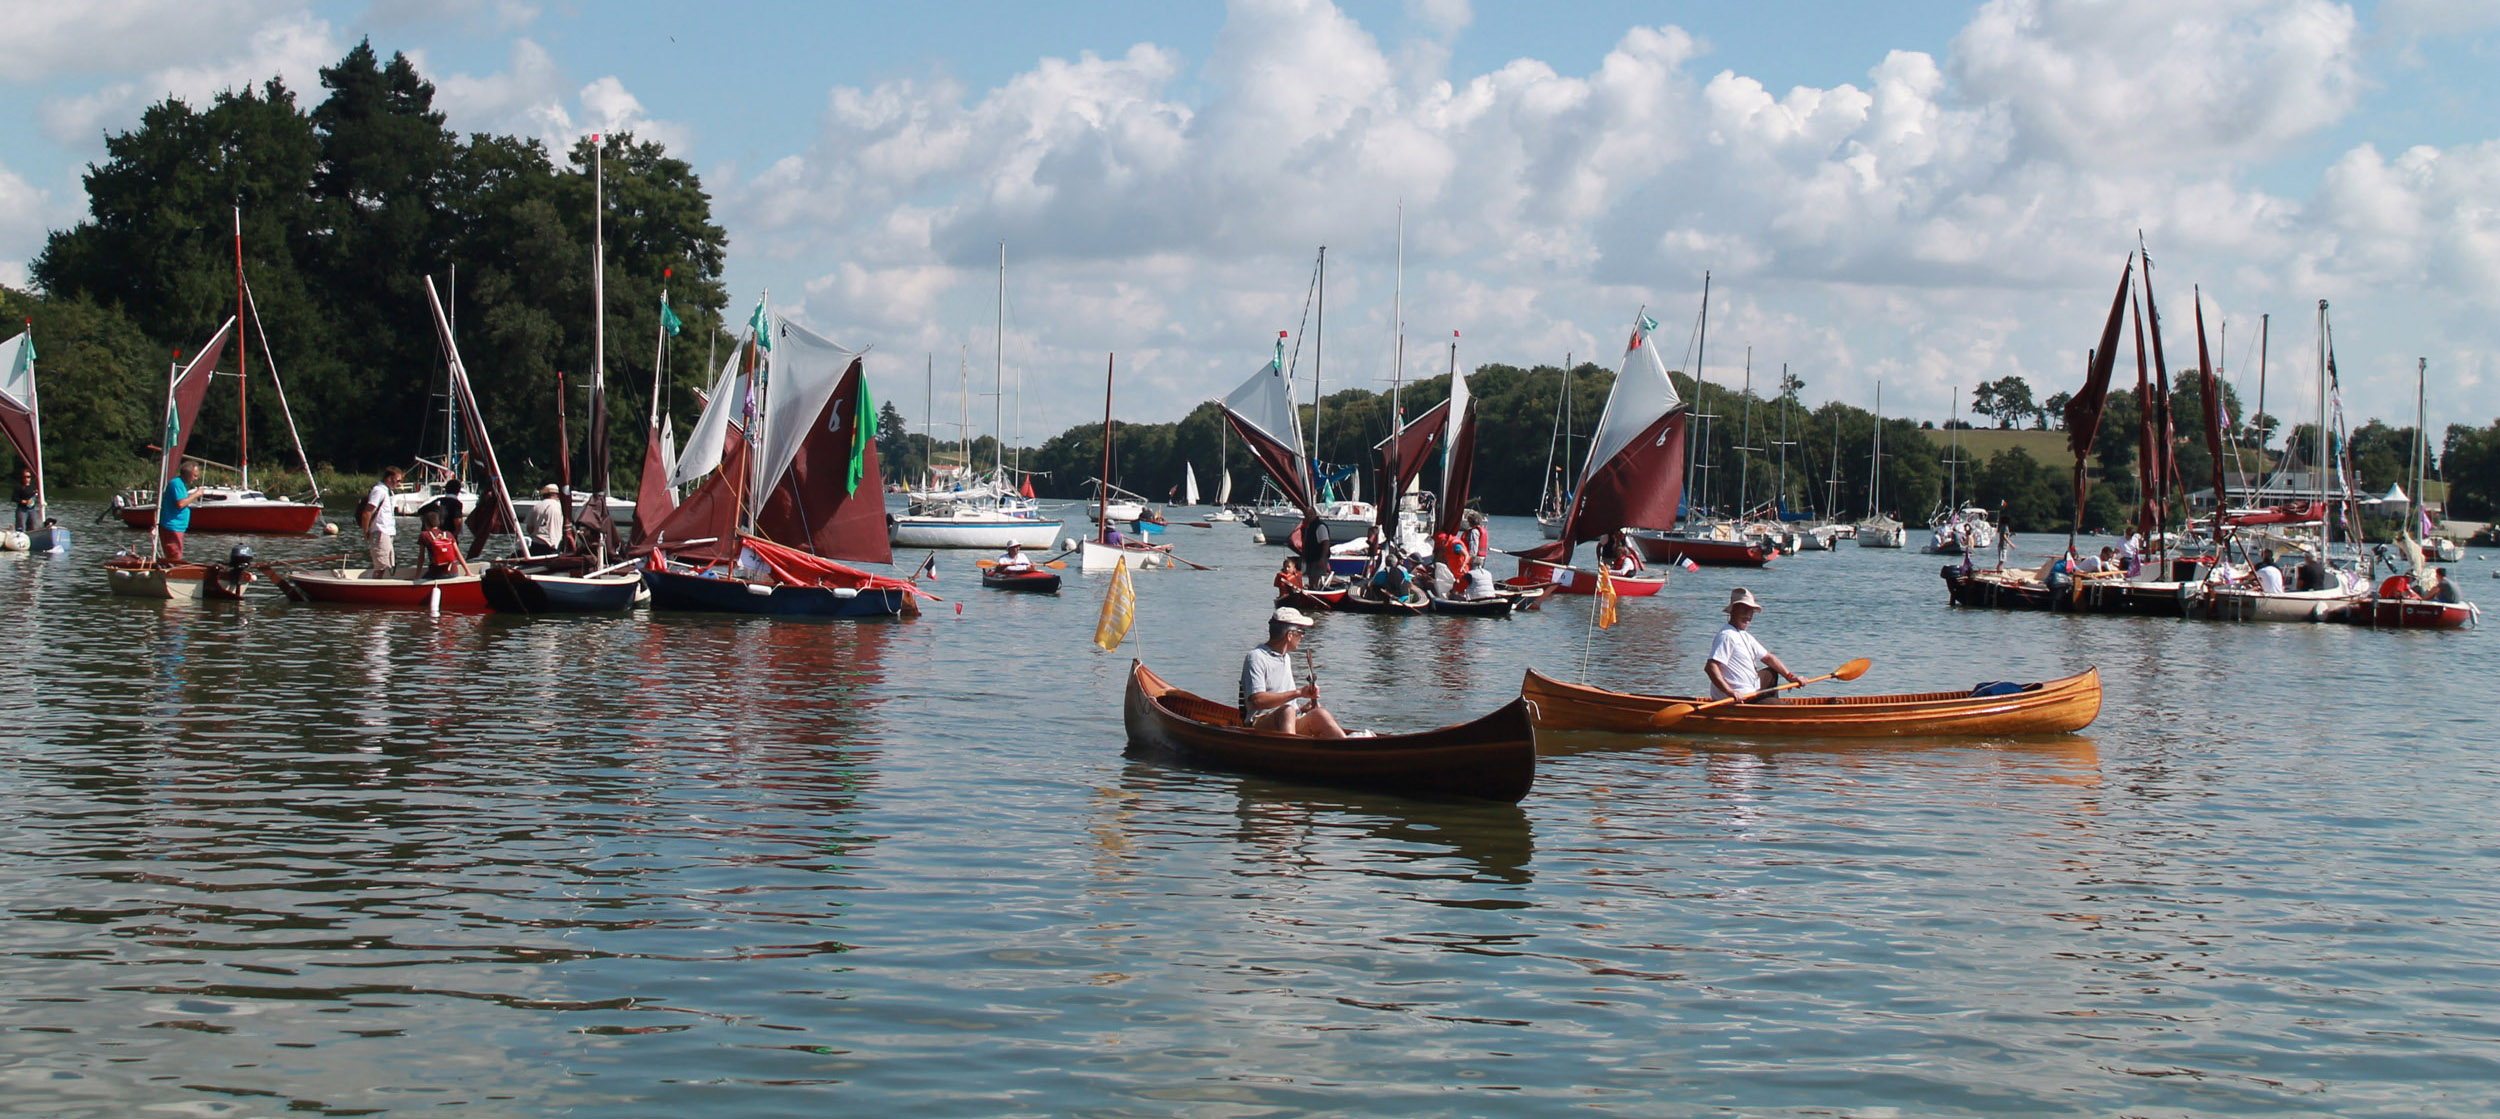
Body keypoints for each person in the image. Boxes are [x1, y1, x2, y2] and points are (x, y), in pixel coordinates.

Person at [1239, 607, 1345, 738]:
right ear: (1289, 635)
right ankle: (1292, 751)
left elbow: (1285, 700)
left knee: (1320, 713)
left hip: (1289, 718)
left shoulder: (1286, 658)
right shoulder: (1256, 657)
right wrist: (1298, 693)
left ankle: (1348, 749)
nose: (1302, 636)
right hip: (1260, 723)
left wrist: (1301, 709)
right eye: (1301, 632)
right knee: (1287, 711)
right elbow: (1258, 701)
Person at [1706, 588, 1801, 703]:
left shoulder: (1745, 636)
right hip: (1737, 699)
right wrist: (1730, 692)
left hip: (1752, 691)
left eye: (1751, 611)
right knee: (1781, 707)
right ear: (1733, 610)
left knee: (1771, 673)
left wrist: (1791, 677)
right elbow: (1711, 667)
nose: (1748, 615)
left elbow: (1768, 658)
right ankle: (1771, 707)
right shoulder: (1726, 636)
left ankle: (1766, 704)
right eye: (1744, 610)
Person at [355, 466, 402, 574]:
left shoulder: (387, 491)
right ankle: (377, 587)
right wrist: (365, 532)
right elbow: (367, 513)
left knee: (389, 566)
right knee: (382, 567)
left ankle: (386, 587)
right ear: (390, 478)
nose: (399, 483)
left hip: (387, 533)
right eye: (398, 480)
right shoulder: (379, 491)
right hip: (380, 532)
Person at [158, 461, 202, 562]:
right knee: (175, 557)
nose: (196, 478)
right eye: (195, 475)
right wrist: (196, 494)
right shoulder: (176, 484)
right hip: (172, 526)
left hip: (177, 527)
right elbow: (181, 504)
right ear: (188, 473)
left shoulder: (181, 484)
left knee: (176, 555)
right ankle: (173, 574)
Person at [416, 508, 465, 579]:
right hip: (454, 572)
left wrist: (417, 576)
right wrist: (468, 571)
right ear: (438, 523)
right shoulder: (448, 534)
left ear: (426, 524)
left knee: (423, 578)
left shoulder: (424, 535)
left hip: (436, 574)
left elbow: (421, 557)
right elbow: (458, 554)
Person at [529, 483, 566, 553]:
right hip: (554, 545)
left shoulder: (536, 507)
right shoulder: (561, 507)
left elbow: (529, 528)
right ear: (557, 494)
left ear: (544, 494)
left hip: (536, 545)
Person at [11, 467, 35, 532]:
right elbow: (14, 498)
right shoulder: (19, 486)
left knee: (32, 527)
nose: (26, 479)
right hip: (22, 510)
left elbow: (35, 496)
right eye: (24, 477)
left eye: (28, 477)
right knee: (21, 527)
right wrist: (23, 501)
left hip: (31, 509)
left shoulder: (33, 486)